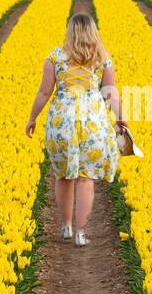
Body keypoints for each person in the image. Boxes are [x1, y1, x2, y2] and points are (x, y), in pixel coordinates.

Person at [25, 12, 122, 246]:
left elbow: (44, 92)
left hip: (62, 122)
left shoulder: (56, 57)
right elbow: (110, 91)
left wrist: (32, 117)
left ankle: (66, 226)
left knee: (63, 175)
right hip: (93, 122)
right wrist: (121, 119)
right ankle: (80, 233)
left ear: (70, 31)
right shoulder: (101, 57)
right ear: (92, 32)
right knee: (86, 177)